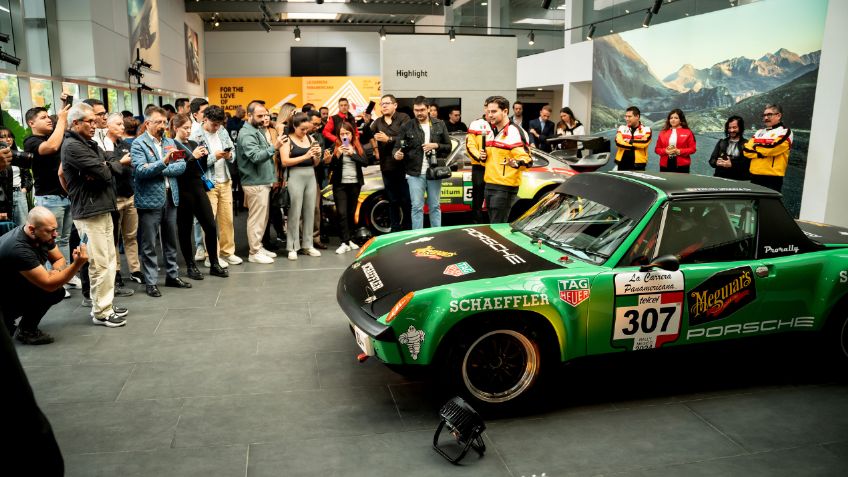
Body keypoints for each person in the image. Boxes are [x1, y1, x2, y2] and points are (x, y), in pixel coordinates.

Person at [62, 103, 129, 325]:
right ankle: (102, 311)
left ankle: (103, 304)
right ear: (75, 123)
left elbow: (107, 167)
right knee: (100, 263)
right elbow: (105, 172)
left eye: (95, 120)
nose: (95, 124)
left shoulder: (89, 143)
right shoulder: (72, 146)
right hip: (90, 211)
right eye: (89, 121)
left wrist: (105, 166)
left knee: (108, 260)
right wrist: (106, 167)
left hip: (102, 206)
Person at [0, 207, 88, 343]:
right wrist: (77, 265)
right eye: (50, 231)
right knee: (53, 290)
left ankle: (10, 321)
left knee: (56, 289)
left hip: (11, 289)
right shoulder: (18, 249)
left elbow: (59, 259)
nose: (55, 234)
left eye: (55, 229)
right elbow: (49, 285)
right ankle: (26, 331)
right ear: (31, 229)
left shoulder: (42, 235)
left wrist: (56, 272)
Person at [131, 106, 191, 297]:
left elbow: (181, 166)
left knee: (170, 240)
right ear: (147, 123)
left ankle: (172, 276)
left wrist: (158, 167)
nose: (163, 125)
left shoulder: (170, 141)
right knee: (149, 243)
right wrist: (164, 162)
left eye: (165, 122)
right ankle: (151, 282)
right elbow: (140, 171)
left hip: (170, 196)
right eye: (158, 122)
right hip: (149, 199)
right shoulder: (138, 144)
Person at [172, 114, 228, 280]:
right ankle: (190, 265)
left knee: (210, 225)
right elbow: (178, 170)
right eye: (185, 128)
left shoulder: (193, 143)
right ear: (175, 128)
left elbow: (200, 168)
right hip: (183, 191)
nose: (188, 131)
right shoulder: (172, 146)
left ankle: (214, 263)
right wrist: (192, 157)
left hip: (198, 188)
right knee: (185, 229)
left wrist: (203, 157)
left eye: (190, 128)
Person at [237, 102, 287, 264]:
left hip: (261, 180)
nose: (263, 118)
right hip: (255, 182)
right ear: (249, 115)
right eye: (259, 116)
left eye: (265, 115)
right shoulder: (247, 134)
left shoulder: (256, 130)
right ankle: (254, 252)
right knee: (256, 219)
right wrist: (275, 146)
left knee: (262, 218)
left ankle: (258, 247)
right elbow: (256, 157)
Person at [191, 105, 240, 267]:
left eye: (219, 124)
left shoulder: (222, 131)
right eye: (214, 124)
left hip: (225, 180)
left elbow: (233, 151)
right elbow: (197, 163)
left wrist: (229, 155)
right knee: (209, 222)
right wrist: (215, 157)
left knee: (227, 220)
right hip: (208, 183)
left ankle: (227, 252)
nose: (217, 127)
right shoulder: (196, 136)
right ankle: (211, 256)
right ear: (205, 119)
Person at [24, 103, 72, 265]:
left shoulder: (54, 135)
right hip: (49, 198)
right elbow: (51, 147)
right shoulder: (31, 141)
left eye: (48, 116)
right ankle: (53, 276)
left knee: (64, 239)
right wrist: (61, 120)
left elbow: (61, 134)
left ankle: (65, 273)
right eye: (43, 118)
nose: (48, 119)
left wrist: (64, 108)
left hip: (66, 195)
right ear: (31, 123)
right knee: (50, 241)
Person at [393, 96, 451, 230]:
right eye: (416, 110)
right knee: (416, 207)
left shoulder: (439, 124)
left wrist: (435, 145)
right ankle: (417, 236)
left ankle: (436, 233)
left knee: (435, 206)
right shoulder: (407, 126)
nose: (419, 113)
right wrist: (396, 154)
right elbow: (397, 147)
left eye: (422, 110)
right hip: (414, 173)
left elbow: (448, 147)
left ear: (429, 109)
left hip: (434, 172)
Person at [103, 113, 143, 286]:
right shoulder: (102, 146)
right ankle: (116, 271)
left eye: (122, 124)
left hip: (130, 195)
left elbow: (133, 166)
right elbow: (108, 169)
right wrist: (121, 162)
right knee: (114, 237)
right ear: (107, 125)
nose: (122, 127)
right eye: (118, 124)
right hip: (113, 197)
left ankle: (135, 269)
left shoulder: (126, 144)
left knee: (131, 235)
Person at [480, 95, 532, 223]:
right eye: (488, 111)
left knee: (497, 226)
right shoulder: (490, 131)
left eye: (494, 111)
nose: (490, 115)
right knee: (493, 224)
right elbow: (490, 160)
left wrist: (516, 163)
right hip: (489, 184)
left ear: (505, 111)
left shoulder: (515, 132)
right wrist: (483, 158)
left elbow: (528, 160)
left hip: (504, 187)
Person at [280, 113, 323, 260]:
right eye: (302, 129)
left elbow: (316, 163)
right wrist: (305, 156)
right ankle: (292, 246)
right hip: (294, 176)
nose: (305, 132)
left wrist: (317, 155)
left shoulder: (311, 139)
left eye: (307, 129)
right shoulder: (287, 139)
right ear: (294, 126)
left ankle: (308, 245)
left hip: (310, 175)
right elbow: (284, 161)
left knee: (310, 211)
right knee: (294, 211)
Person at [371, 94, 411, 232]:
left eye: (387, 103)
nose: (384, 106)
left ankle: (409, 229)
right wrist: (366, 122)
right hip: (386, 166)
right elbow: (366, 136)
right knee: (392, 200)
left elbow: (406, 137)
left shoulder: (404, 118)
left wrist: (388, 139)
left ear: (395, 105)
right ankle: (395, 229)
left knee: (406, 199)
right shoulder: (377, 122)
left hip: (404, 166)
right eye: (382, 104)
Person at [330, 121, 368, 254]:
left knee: (351, 213)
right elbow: (330, 167)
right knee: (342, 213)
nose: (344, 136)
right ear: (338, 135)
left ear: (352, 134)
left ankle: (350, 239)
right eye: (342, 134)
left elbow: (365, 162)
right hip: (340, 185)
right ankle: (344, 242)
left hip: (355, 184)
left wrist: (353, 154)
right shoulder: (335, 147)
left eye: (347, 133)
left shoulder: (357, 146)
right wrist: (337, 155)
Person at [743, 103, 793, 192]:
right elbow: (746, 151)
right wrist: (762, 152)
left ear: (778, 116)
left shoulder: (785, 132)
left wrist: (755, 147)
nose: (765, 118)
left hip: (772, 178)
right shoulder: (759, 132)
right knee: (754, 201)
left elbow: (772, 149)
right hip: (754, 176)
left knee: (769, 201)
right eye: (764, 115)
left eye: (769, 115)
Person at [465, 105, 492, 224]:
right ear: (485, 108)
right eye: (487, 107)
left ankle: (494, 224)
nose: (489, 111)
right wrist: (480, 158)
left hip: (495, 168)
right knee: (477, 199)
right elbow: (469, 146)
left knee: (494, 199)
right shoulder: (476, 124)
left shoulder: (502, 125)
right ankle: (477, 224)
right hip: (479, 167)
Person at [0, 127, 32, 227]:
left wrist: (24, 189)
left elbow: (27, 177)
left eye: (10, 137)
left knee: (23, 226)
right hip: (3, 197)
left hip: (19, 194)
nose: (8, 139)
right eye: (3, 137)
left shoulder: (18, 155)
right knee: (7, 227)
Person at [654, 108, 696, 173]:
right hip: (665, 164)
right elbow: (657, 149)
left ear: (680, 120)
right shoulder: (662, 133)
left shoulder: (688, 132)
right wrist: (665, 151)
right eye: (671, 118)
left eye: (676, 118)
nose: (673, 120)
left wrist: (679, 151)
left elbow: (692, 149)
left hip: (682, 165)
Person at [709, 115, 749, 181]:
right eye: (729, 128)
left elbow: (747, 164)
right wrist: (716, 162)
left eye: (734, 127)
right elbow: (711, 161)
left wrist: (732, 164)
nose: (731, 130)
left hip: (738, 181)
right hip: (720, 179)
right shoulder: (721, 142)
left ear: (740, 128)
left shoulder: (747, 144)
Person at [614, 106, 652, 171]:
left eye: (629, 116)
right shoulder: (621, 128)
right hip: (622, 164)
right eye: (626, 116)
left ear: (637, 117)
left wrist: (629, 141)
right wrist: (635, 146)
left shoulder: (647, 129)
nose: (627, 119)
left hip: (639, 165)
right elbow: (618, 143)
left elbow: (644, 143)